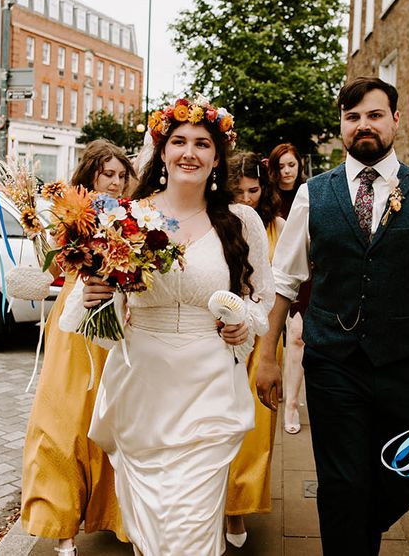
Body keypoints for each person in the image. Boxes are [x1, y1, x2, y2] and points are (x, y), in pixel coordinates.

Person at [256, 76, 409, 555]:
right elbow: (283, 281)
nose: (364, 126)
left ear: (395, 121)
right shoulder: (314, 195)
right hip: (333, 362)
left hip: (404, 363)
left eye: (374, 115)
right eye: (353, 117)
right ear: (341, 125)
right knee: (341, 487)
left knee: (401, 481)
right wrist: (267, 355)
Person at [61, 98, 275, 555]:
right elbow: (88, 312)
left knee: (192, 527)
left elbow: (262, 304)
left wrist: (242, 325)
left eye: (202, 143)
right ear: (162, 151)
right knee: (151, 529)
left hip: (210, 391)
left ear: (218, 157)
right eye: (178, 141)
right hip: (142, 390)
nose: (189, 152)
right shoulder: (126, 217)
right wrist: (96, 296)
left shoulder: (241, 222)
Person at [21, 139, 135, 555]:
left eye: (123, 176)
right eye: (109, 175)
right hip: (71, 328)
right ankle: (62, 524)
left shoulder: (132, 219)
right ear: (90, 175)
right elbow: (47, 268)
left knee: (113, 426)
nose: (117, 183)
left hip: (116, 329)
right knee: (61, 423)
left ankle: (115, 516)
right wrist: (39, 234)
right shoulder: (69, 216)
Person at [224, 151, 285, 548]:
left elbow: (284, 288)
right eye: (238, 190)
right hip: (223, 335)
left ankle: (238, 507)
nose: (246, 198)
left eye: (254, 189)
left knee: (255, 430)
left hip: (263, 337)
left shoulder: (278, 226)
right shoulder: (217, 224)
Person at [267, 143, 308, 434]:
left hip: (303, 274)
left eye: (291, 165)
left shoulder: (309, 195)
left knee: (296, 338)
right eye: (281, 166)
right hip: (269, 271)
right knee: (269, 334)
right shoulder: (267, 196)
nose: (286, 171)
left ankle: (292, 403)